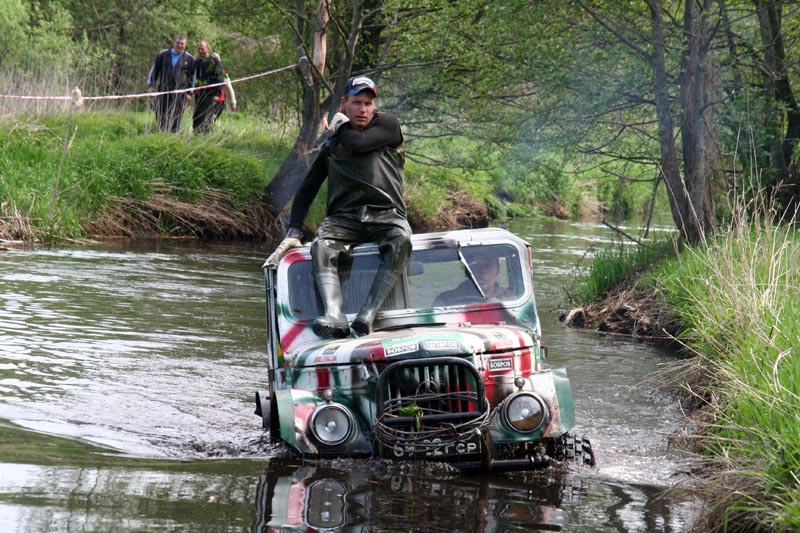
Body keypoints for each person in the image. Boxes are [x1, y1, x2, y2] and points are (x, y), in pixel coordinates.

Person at [264, 75, 411, 338]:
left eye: (368, 103)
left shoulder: (388, 125)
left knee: (402, 239)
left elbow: (358, 143)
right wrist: (295, 229)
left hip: (387, 215)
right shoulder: (332, 146)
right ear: (344, 103)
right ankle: (335, 313)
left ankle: (367, 314)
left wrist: (339, 125)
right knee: (322, 245)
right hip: (345, 219)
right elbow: (307, 188)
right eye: (356, 103)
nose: (363, 109)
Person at [147, 35, 194, 132]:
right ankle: (161, 135)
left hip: (180, 94)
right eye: (178, 43)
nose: (179, 45)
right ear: (174, 43)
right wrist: (151, 85)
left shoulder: (189, 59)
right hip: (163, 92)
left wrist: (190, 93)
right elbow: (154, 70)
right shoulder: (163, 54)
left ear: (185, 45)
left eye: (182, 44)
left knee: (176, 118)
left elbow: (192, 78)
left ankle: (173, 138)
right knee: (161, 116)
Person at [433, 254, 512, 306]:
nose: (483, 272)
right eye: (476, 265)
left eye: (488, 266)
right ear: (467, 271)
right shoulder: (445, 300)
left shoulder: (512, 298)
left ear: (498, 270)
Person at [192, 41, 234, 133]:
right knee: (197, 116)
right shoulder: (197, 62)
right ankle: (196, 135)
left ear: (207, 49)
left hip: (212, 94)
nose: (200, 49)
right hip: (200, 95)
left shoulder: (214, 61)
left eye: (202, 48)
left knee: (208, 118)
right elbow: (194, 77)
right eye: (199, 47)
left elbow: (220, 79)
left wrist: (217, 94)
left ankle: (205, 135)